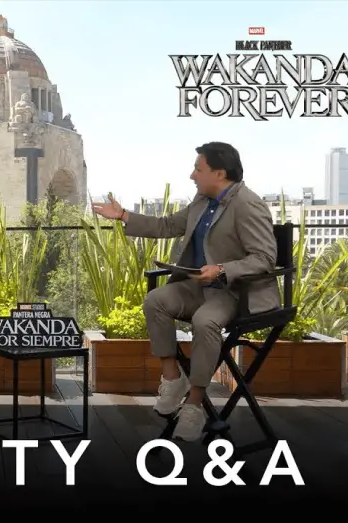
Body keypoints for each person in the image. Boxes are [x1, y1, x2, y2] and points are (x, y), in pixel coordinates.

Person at [91, 142, 278, 442]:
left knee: (205, 321)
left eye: (198, 169)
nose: (192, 175)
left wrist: (221, 269)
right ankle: (173, 377)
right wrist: (123, 215)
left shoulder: (248, 204)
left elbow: (265, 258)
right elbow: (166, 226)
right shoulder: (203, 201)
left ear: (219, 173)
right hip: (198, 287)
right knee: (156, 300)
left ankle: (194, 404)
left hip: (233, 292)